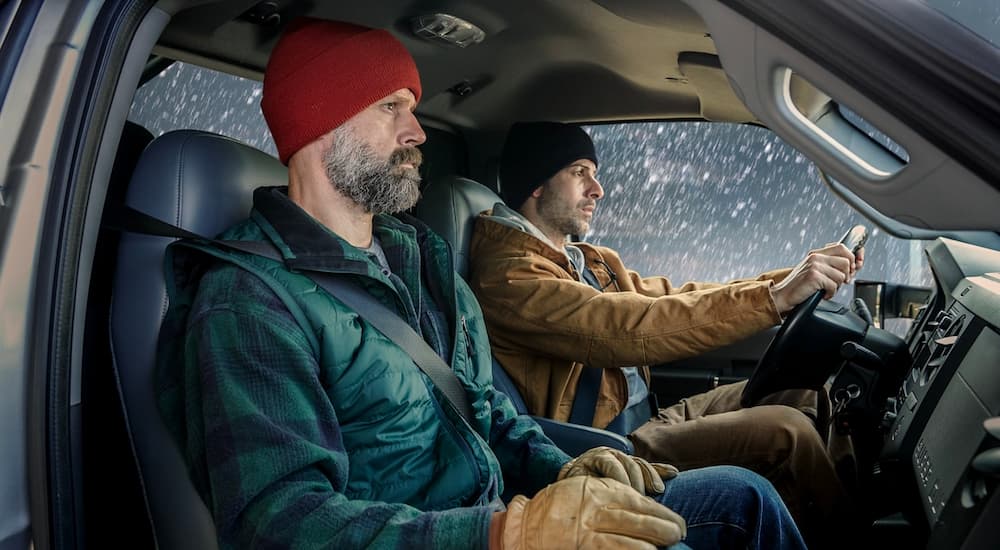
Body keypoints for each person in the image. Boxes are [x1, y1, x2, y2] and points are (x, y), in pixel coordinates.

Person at [153, 18, 806, 550]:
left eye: (413, 108)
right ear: (320, 125)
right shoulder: (249, 302)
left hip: (500, 510)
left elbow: (485, 412)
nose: (416, 131)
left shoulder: (417, 258)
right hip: (468, 533)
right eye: (391, 108)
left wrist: (566, 470)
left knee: (743, 496)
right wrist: (507, 533)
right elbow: (281, 525)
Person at [468, 121, 865, 546]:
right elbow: (633, 325)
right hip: (608, 447)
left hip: (648, 417)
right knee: (787, 431)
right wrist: (774, 300)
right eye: (579, 172)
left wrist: (792, 279)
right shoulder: (510, 276)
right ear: (535, 184)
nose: (597, 189)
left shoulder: (585, 259)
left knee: (801, 393)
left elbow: (677, 296)